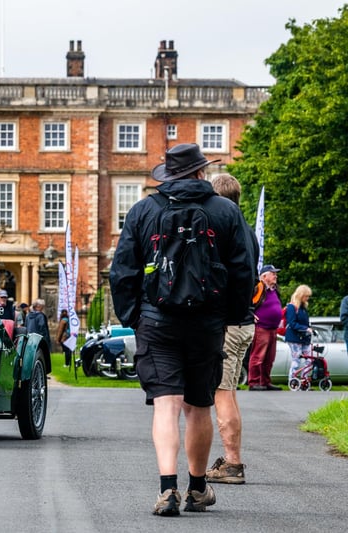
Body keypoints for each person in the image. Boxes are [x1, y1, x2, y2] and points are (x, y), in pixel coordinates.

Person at [109, 143, 254, 516]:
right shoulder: (226, 211)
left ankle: (167, 488)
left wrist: (133, 317)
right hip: (207, 323)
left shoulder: (143, 210)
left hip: (156, 320)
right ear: (200, 173)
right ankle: (198, 488)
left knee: (166, 405)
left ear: (168, 175)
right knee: (198, 406)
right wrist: (234, 315)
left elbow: (122, 271)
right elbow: (243, 271)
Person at [206, 173, 259, 485]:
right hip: (245, 321)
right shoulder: (247, 230)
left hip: (230, 323)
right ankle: (230, 459)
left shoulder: (226, 231)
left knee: (222, 392)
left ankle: (233, 464)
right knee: (229, 392)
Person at [247, 265, 284, 391]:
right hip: (261, 327)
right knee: (258, 356)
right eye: (273, 274)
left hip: (272, 328)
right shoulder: (259, 288)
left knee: (269, 357)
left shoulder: (274, 290)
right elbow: (249, 303)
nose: (275, 276)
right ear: (264, 276)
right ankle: (254, 382)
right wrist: (251, 315)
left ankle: (265, 381)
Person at [284, 285, 313, 381]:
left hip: (304, 337)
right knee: (296, 360)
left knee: (310, 359)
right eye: (306, 296)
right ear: (301, 295)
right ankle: (292, 379)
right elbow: (292, 323)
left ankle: (304, 379)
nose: (307, 298)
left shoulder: (303, 308)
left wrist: (308, 329)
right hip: (294, 337)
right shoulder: (292, 307)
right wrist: (305, 328)